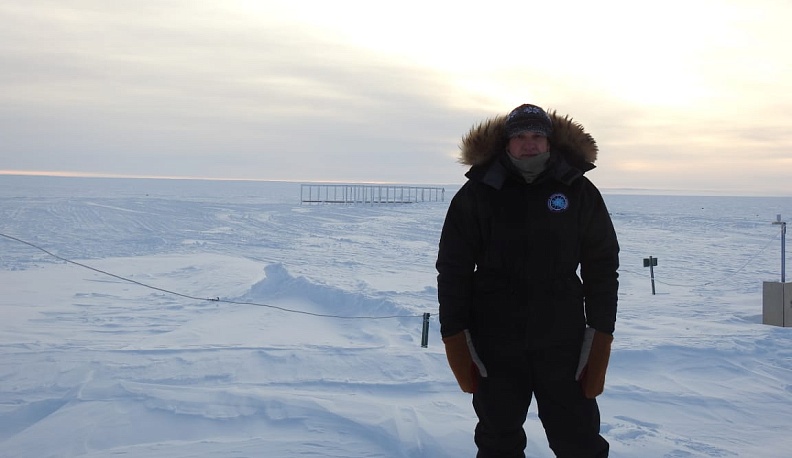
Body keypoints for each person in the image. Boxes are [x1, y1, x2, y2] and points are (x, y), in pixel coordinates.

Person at [436, 103, 619, 457]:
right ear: (506, 143)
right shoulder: (477, 193)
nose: (529, 144)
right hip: (495, 340)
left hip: (562, 339)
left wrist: (600, 335)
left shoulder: (578, 191)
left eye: (537, 135)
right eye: (520, 136)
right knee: (497, 438)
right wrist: (454, 335)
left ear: (550, 142)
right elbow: (453, 269)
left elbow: (602, 267)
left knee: (578, 438)